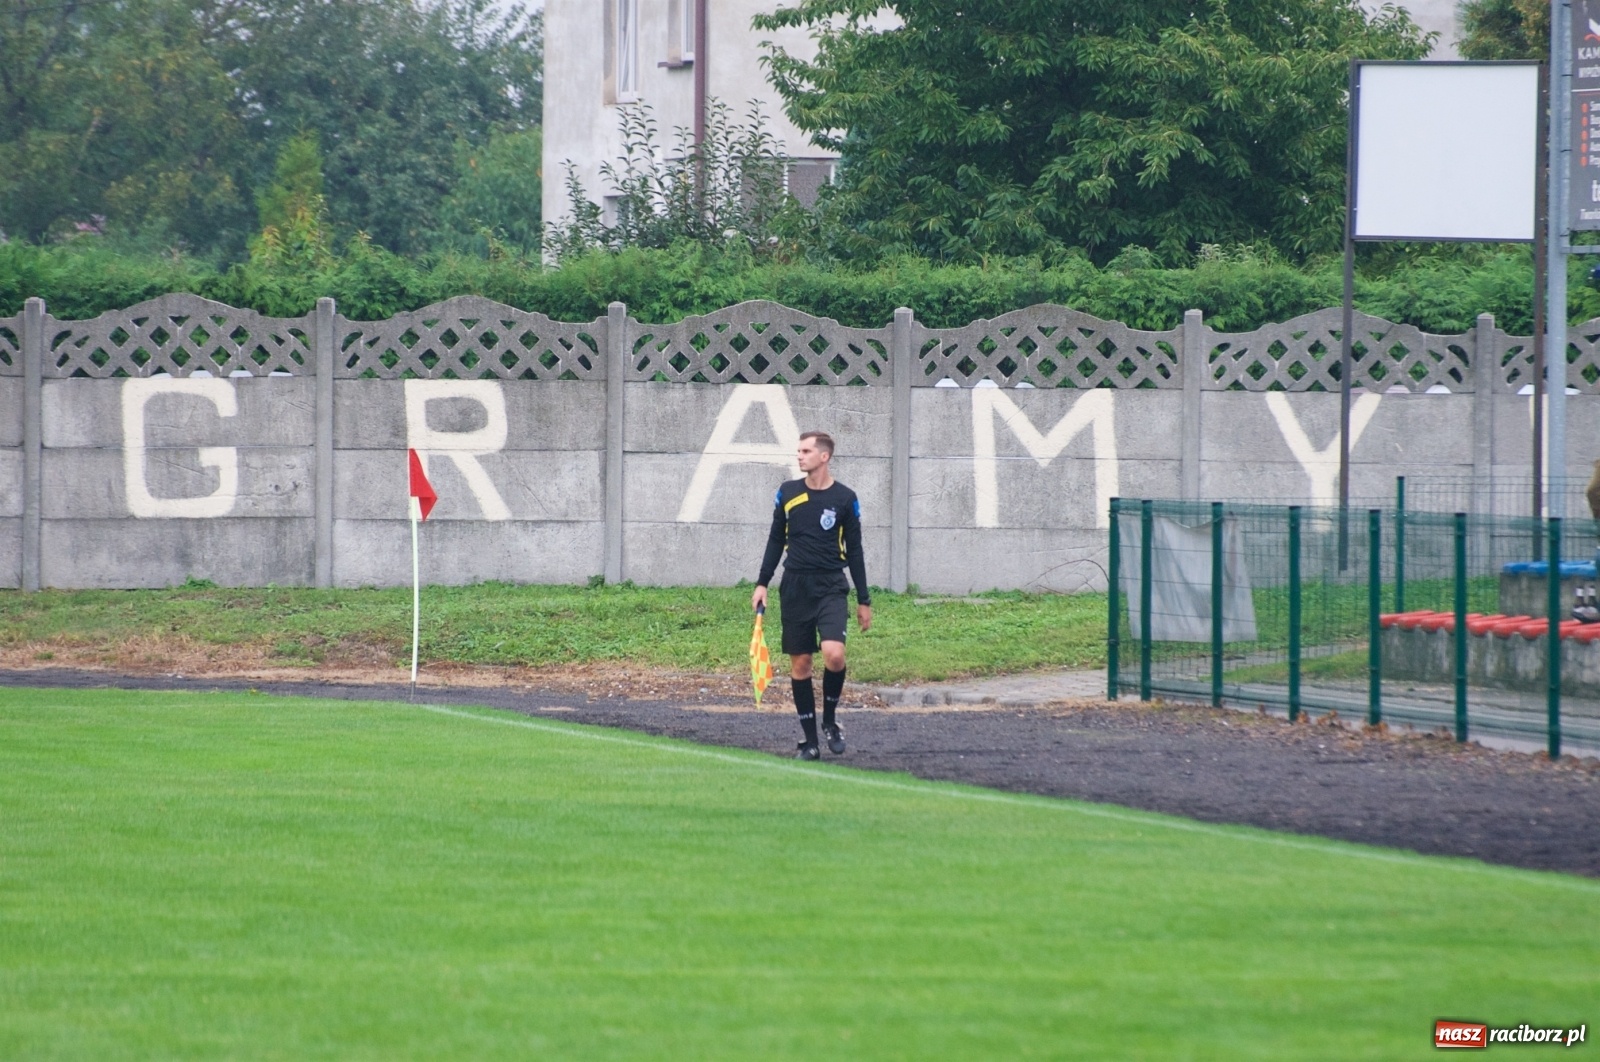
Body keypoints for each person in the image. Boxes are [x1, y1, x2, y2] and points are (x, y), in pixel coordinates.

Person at [752, 431, 872, 760]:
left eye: (806, 451)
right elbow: (776, 539)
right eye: (799, 450)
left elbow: (856, 551)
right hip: (795, 586)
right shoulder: (788, 493)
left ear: (824, 456)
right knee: (801, 663)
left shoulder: (845, 498)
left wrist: (864, 599)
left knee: (834, 654)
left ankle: (830, 721)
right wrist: (762, 582)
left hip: (831, 585)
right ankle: (810, 741)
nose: (799, 456)